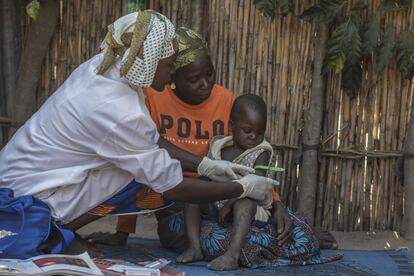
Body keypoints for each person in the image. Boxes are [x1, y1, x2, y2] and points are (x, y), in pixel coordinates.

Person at [0, 11, 277, 257]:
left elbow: (148, 140)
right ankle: (55, 235)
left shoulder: (107, 67)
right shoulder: (118, 110)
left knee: (144, 171)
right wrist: (243, 188)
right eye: (169, 66)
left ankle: (60, 231)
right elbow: (171, 185)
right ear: (149, 62)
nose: (170, 76)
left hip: (29, 176)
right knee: (148, 182)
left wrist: (204, 164)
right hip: (23, 196)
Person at [87, 26, 237, 246]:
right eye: (194, 79)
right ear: (172, 77)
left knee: (278, 231)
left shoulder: (225, 99)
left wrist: (273, 200)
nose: (205, 84)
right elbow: (138, 163)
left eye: (209, 74)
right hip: (171, 195)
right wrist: (123, 233)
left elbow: (246, 149)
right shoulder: (154, 97)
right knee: (188, 236)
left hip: (213, 191)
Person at [177, 94, 279, 270]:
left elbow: (255, 183)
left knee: (245, 203)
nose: (254, 137)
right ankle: (194, 247)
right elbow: (208, 177)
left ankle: (232, 255)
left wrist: (230, 204)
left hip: (251, 208)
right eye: (248, 131)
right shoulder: (219, 147)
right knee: (194, 193)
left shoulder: (261, 152)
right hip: (217, 202)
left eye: (259, 132)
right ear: (232, 126)